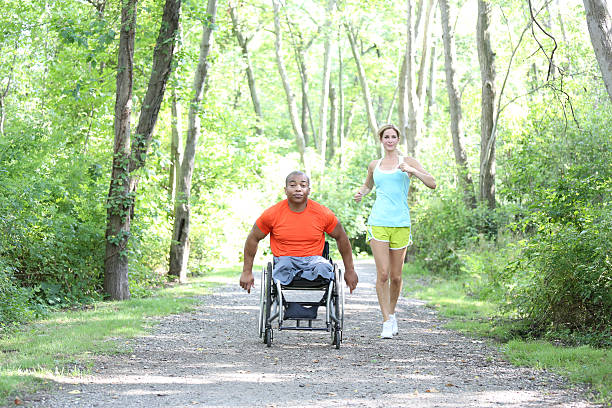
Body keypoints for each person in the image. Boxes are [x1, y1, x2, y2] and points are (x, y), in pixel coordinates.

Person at [354, 124, 436, 339]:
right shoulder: (375, 164)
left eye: (393, 137)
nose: (390, 140)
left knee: (396, 277)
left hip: (400, 223)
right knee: (382, 274)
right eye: (386, 137)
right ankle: (386, 321)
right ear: (381, 140)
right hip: (378, 222)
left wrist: (413, 171)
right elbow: (369, 185)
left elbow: (432, 183)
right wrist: (361, 192)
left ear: (398, 140)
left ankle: (392, 312)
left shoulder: (407, 162)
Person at [240, 171, 359, 294]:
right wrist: (247, 272)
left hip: (314, 260)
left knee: (324, 267)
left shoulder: (323, 213)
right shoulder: (272, 214)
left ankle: (307, 279)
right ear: (285, 190)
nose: (298, 189)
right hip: (284, 260)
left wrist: (349, 270)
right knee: (282, 267)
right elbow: (253, 238)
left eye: (303, 185)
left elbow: (341, 237)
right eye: (293, 185)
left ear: (308, 190)